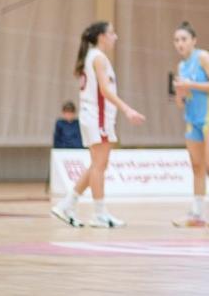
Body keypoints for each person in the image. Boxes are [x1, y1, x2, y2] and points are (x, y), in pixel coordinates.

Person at [51, 22, 146, 228]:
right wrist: (127, 109)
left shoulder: (92, 57)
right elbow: (105, 90)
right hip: (97, 118)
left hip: (93, 117)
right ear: (102, 36)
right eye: (112, 33)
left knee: (96, 165)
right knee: (99, 166)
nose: (115, 37)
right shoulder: (98, 58)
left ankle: (67, 204)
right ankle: (100, 214)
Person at [171, 21, 209, 228]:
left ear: (193, 41)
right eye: (177, 40)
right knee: (197, 166)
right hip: (192, 119)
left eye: (184, 39)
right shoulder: (181, 66)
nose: (180, 44)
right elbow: (181, 103)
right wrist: (180, 93)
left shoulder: (203, 57)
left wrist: (190, 85)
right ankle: (196, 214)